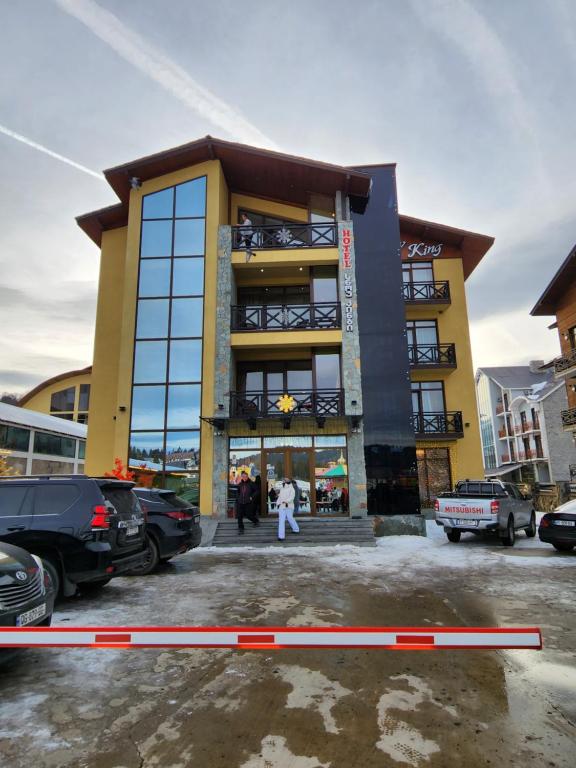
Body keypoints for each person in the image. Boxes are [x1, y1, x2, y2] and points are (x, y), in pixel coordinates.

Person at [276, 477, 300, 541]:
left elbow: (292, 497)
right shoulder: (282, 488)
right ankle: (281, 536)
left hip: (289, 506)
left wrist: (286, 501)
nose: (283, 481)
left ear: (288, 481)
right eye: (283, 480)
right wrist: (278, 503)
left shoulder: (292, 488)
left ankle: (296, 529)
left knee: (290, 518)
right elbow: (280, 497)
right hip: (282, 506)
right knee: (281, 520)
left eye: (285, 480)